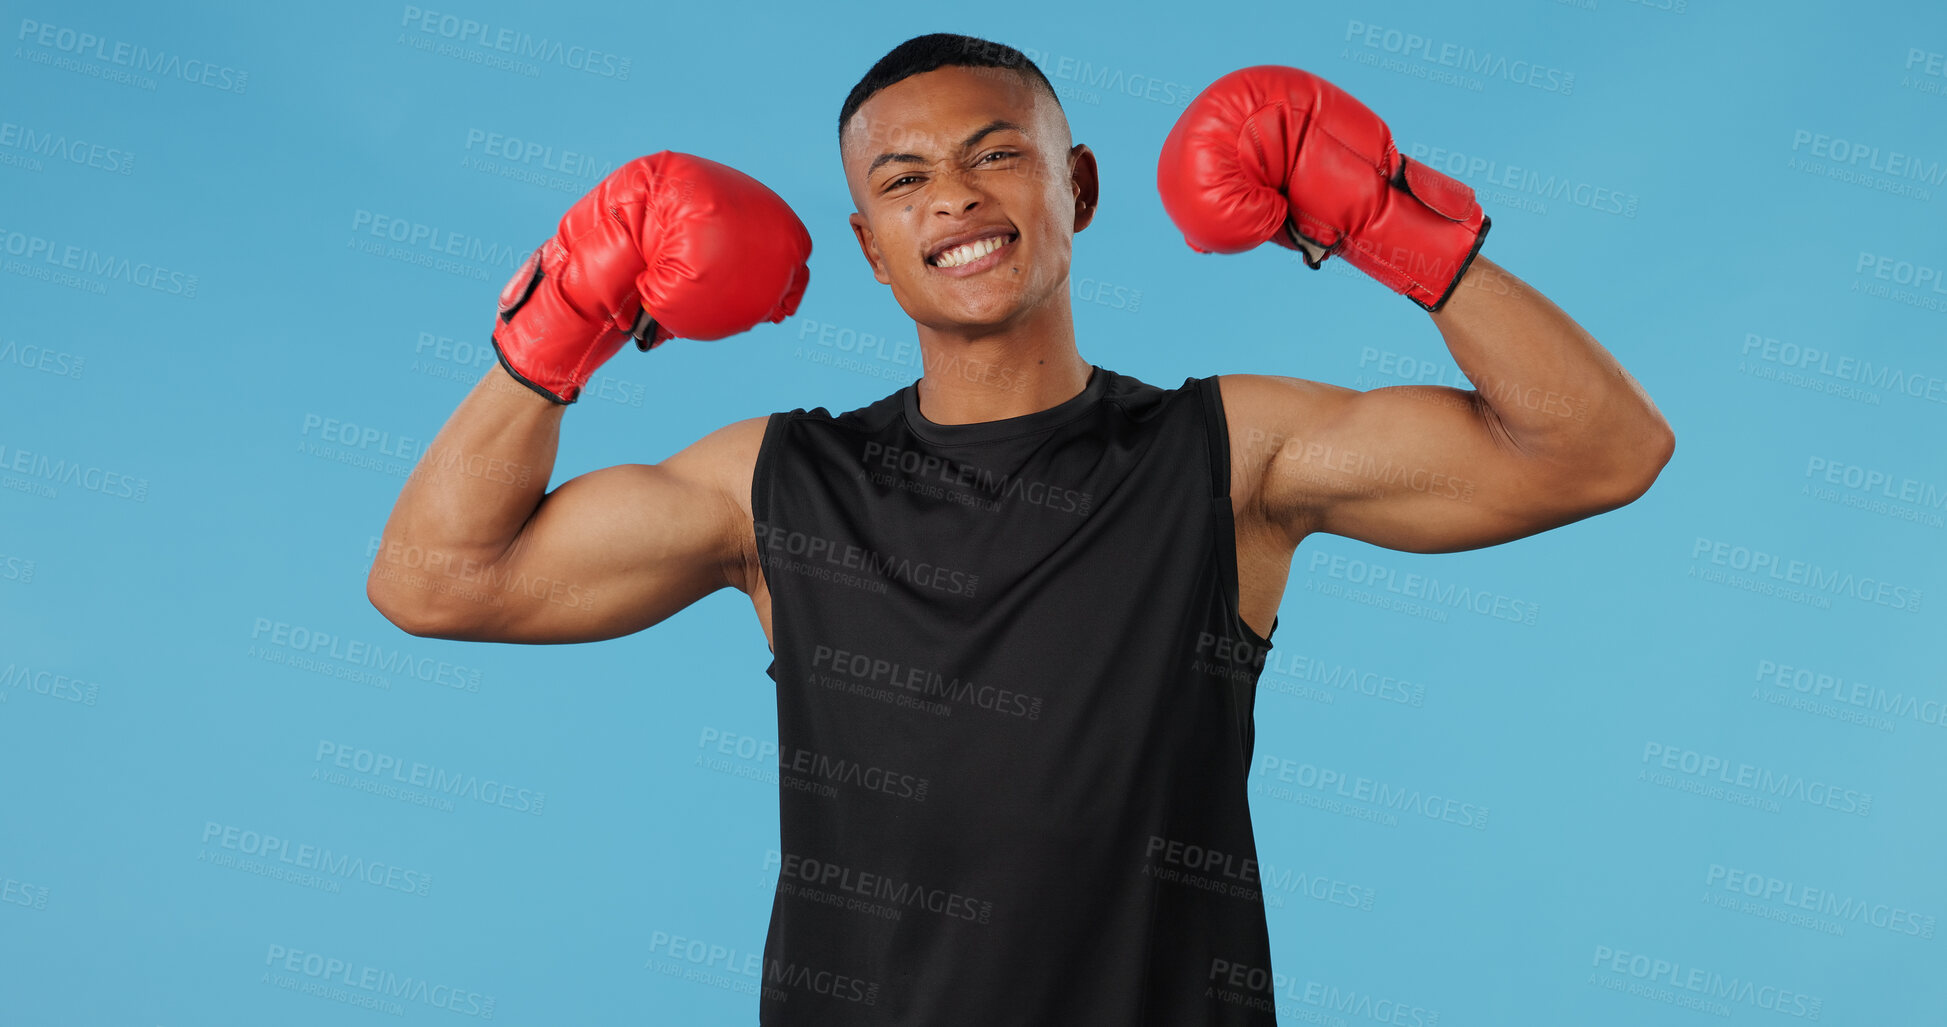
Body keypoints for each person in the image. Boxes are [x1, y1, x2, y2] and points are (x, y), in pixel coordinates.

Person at [368, 32, 1674, 1027]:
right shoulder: (778, 485)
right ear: (871, 245)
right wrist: (563, 322)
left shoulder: (1227, 457)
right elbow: (436, 579)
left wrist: (1386, 214)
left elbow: (1603, 449)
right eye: (905, 177)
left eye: (996, 151)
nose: (955, 196)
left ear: (1077, 185)